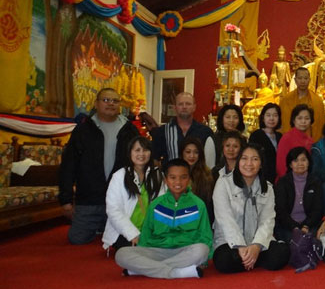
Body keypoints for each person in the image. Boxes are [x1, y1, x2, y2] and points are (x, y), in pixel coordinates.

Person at [59, 87, 139, 245]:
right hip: (90, 199)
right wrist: (66, 200)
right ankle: (100, 226)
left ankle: (107, 227)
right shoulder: (83, 130)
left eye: (115, 101)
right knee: (77, 239)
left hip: (120, 199)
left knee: (124, 241)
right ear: (96, 104)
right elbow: (69, 165)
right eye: (106, 100)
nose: (111, 104)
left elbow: (140, 162)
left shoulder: (129, 130)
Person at [115, 159, 213, 279]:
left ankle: (143, 270)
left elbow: (205, 236)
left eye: (183, 177)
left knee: (202, 250)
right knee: (121, 254)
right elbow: (145, 236)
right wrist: (143, 253)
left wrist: (203, 261)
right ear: (165, 180)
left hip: (185, 251)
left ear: (189, 179)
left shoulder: (198, 204)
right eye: (172, 177)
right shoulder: (156, 204)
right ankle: (176, 272)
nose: (178, 182)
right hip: (157, 250)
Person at [212, 143, 290, 273]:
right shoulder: (223, 183)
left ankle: (249, 259)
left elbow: (267, 220)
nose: (249, 163)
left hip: (257, 242)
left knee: (282, 254)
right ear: (238, 161)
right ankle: (251, 260)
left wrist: (256, 246)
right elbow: (225, 220)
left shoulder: (267, 188)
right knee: (223, 261)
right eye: (244, 158)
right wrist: (240, 246)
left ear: (261, 164)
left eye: (255, 159)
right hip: (230, 242)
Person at [102, 136, 165, 254]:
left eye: (145, 150)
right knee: (135, 252)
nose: (141, 154)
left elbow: (162, 206)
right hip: (125, 233)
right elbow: (113, 210)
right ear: (130, 152)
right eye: (137, 150)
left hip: (151, 231)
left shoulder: (157, 175)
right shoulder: (119, 176)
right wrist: (133, 234)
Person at [151, 92, 215, 168]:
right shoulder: (162, 131)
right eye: (180, 104)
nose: (184, 107)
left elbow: (210, 160)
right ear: (175, 107)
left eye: (188, 104)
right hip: (171, 175)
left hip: (197, 175)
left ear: (194, 107)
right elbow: (155, 159)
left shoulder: (205, 132)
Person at [273, 147, 323, 242]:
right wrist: (294, 227)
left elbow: (318, 209)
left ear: (308, 162)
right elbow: (280, 210)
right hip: (287, 226)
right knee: (294, 243)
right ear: (290, 164)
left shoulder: (315, 182)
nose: (300, 163)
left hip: (310, 225)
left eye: (303, 160)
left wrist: (306, 226)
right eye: (295, 161)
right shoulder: (283, 182)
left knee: (310, 242)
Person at [279, 67, 325, 142]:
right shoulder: (286, 100)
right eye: (300, 78)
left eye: (305, 78)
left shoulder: (317, 101)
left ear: (309, 80)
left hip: (311, 142)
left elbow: (320, 126)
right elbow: (283, 124)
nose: (303, 81)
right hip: (290, 142)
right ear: (295, 80)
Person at [181, 137, 215, 225]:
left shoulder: (207, 176)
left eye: (196, 152)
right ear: (182, 153)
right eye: (188, 152)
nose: (192, 156)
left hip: (201, 223)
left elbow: (209, 206)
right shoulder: (176, 174)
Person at [275, 104, 314, 181]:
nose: (303, 121)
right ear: (294, 120)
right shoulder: (287, 138)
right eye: (300, 118)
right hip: (287, 181)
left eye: (307, 118)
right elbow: (281, 165)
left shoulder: (310, 140)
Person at [248, 103, 282, 185]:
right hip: (261, 178)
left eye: (275, 115)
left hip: (278, 178)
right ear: (263, 118)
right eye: (268, 115)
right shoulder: (256, 135)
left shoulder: (280, 136)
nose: (271, 118)